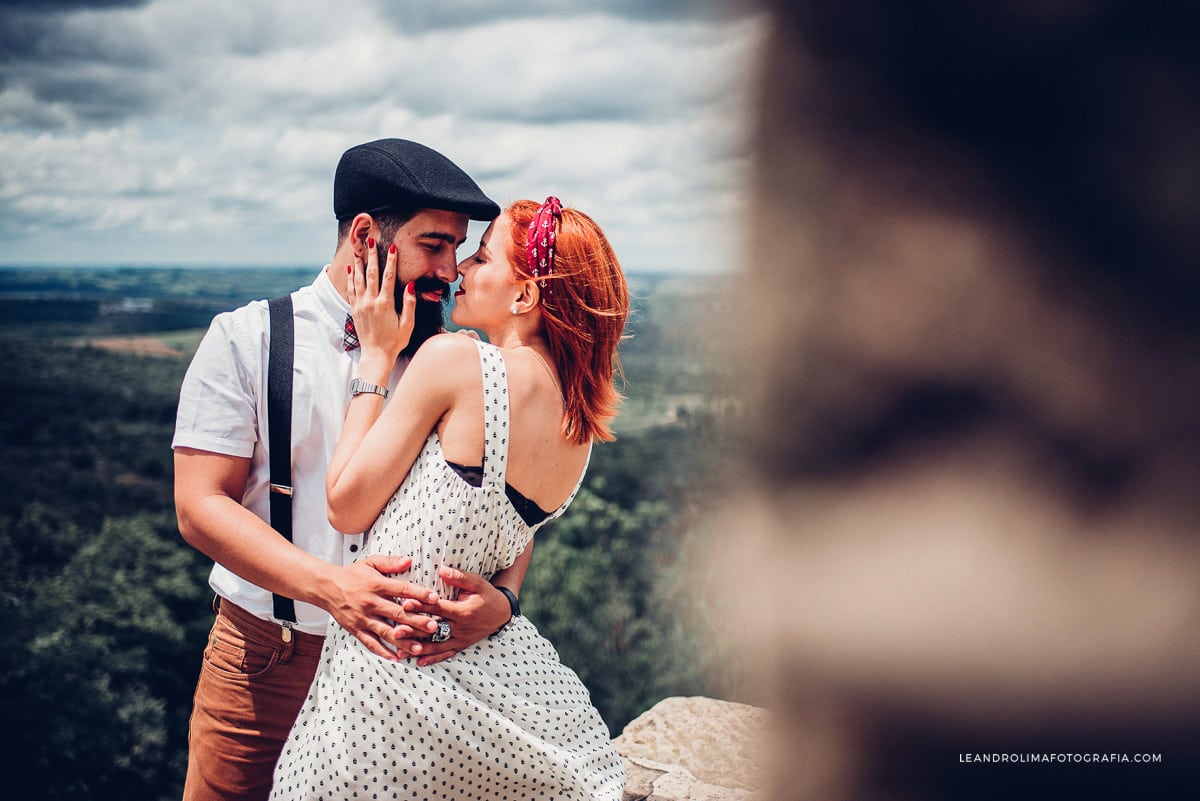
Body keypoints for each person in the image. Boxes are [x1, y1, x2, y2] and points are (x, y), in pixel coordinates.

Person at [173, 138, 529, 801]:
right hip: (264, 659)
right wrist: (332, 587)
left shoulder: (455, 358)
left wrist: (505, 596)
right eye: (435, 244)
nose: (453, 269)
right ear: (366, 234)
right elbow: (199, 505)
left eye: (460, 247)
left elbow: (507, 504)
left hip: (406, 675)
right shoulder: (247, 338)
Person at [270, 197, 629, 800]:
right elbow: (506, 527)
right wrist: (508, 601)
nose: (461, 268)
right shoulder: (579, 425)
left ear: (525, 297)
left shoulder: (457, 362)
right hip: (489, 684)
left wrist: (378, 358)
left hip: (388, 681)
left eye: (483, 258)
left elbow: (346, 505)